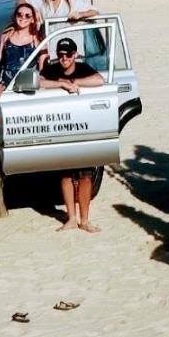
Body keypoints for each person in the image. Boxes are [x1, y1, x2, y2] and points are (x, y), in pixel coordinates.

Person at [40, 37, 107, 232]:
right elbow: (39, 81)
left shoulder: (83, 68)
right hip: (62, 126)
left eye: (68, 55)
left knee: (85, 174)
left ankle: (84, 220)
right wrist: (61, 84)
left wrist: (74, 81)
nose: (64, 59)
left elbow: (99, 80)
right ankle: (71, 218)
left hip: (82, 124)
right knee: (66, 174)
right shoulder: (52, 69)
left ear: (75, 55)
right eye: (61, 55)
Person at [0, 2, 44, 96]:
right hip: (5, 89)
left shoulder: (37, 40)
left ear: (33, 19)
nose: (23, 18)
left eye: (27, 15)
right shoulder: (5, 37)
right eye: (19, 14)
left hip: (27, 89)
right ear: (15, 17)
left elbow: (43, 69)